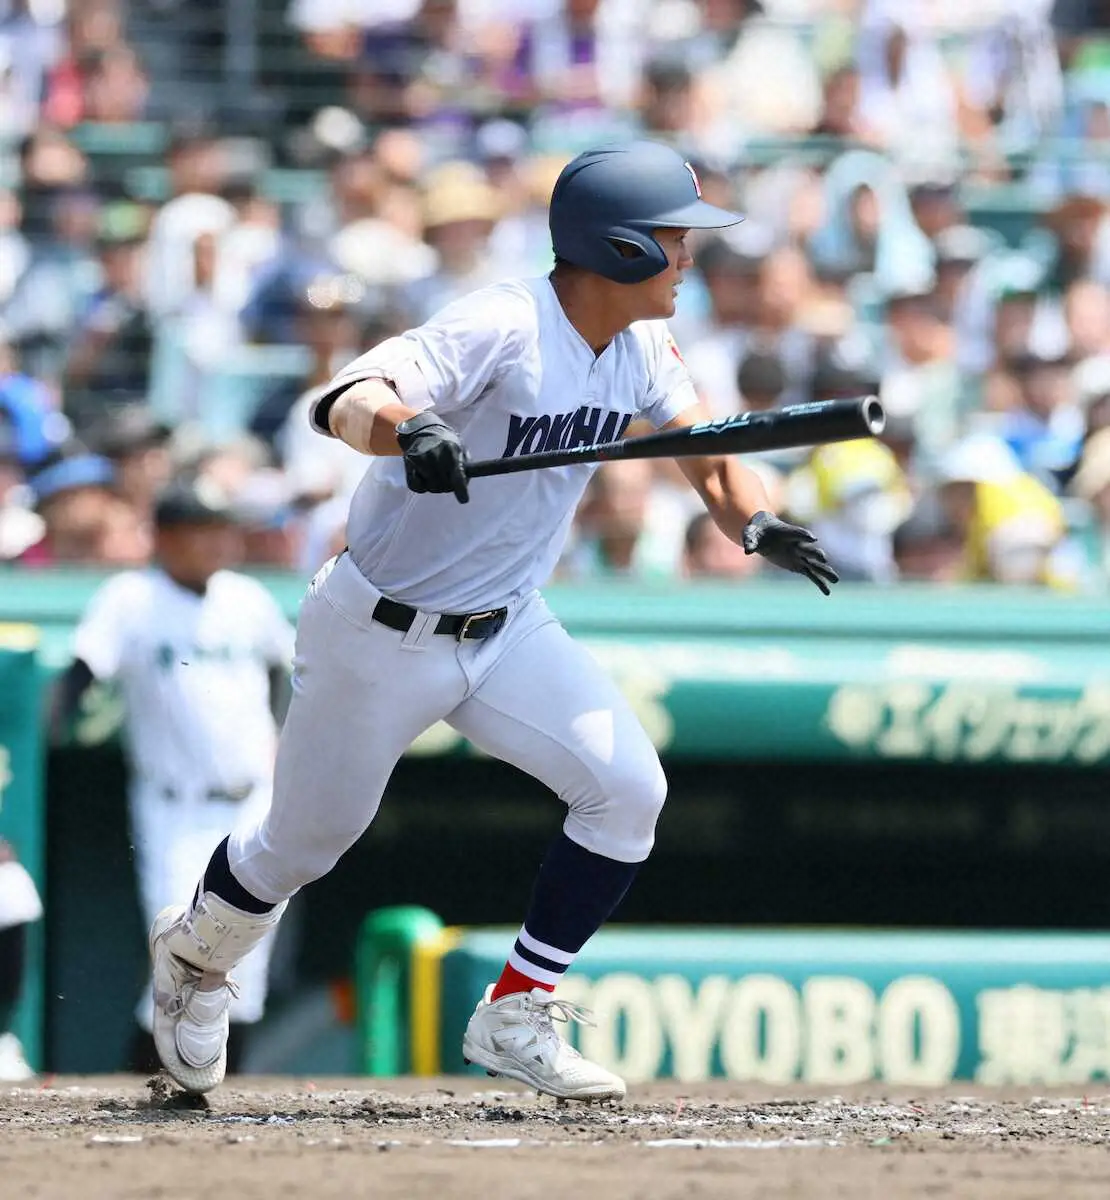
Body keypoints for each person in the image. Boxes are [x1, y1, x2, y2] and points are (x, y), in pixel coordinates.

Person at [146, 140, 838, 1101]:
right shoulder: (504, 323)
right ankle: (194, 958)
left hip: (508, 625)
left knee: (628, 789)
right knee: (304, 845)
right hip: (378, 632)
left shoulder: (639, 344)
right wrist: (412, 430)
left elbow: (713, 458)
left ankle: (517, 1010)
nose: (692, 259)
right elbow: (346, 400)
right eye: (678, 241)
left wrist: (754, 522)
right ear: (624, 247)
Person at [54, 478, 295, 1073]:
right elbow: (82, 671)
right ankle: (149, 1082)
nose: (217, 542)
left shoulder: (247, 598)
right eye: (201, 529)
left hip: (251, 803)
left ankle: (222, 1096)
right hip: (174, 807)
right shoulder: (130, 598)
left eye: (222, 528)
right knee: (180, 951)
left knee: (248, 964)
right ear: (163, 536)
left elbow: (289, 676)